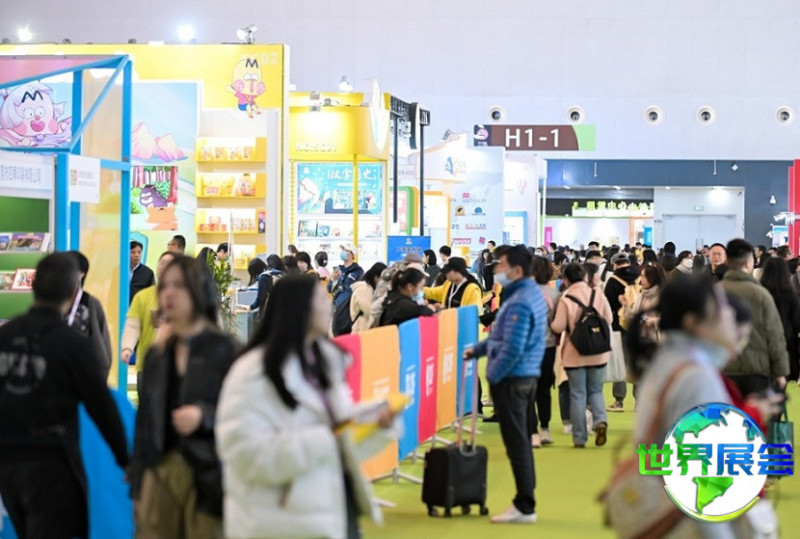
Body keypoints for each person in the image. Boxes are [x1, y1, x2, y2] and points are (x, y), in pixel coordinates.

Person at [215, 276, 396, 539]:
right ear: (298, 307)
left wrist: (373, 422)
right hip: (279, 521)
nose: (329, 306)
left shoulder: (325, 361)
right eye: (320, 299)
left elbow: (339, 436)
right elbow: (245, 453)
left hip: (332, 507)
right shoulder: (252, 373)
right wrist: (325, 439)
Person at [625, 275, 777, 538]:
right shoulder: (696, 376)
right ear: (694, 322)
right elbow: (705, 488)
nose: (730, 314)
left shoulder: (668, 362)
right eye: (720, 307)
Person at [0, 253, 129, 539]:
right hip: (53, 464)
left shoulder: (5, 337)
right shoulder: (72, 345)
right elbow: (101, 406)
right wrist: (125, 459)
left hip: (7, 463)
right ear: (73, 293)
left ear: (33, 287)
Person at [130, 257, 239, 539]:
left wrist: (204, 416)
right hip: (160, 473)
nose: (168, 293)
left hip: (209, 475)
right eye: (165, 286)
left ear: (199, 290)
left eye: (179, 285)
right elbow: (145, 423)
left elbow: (244, 415)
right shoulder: (157, 355)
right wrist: (138, 486)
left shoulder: (225, 350)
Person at [464, 245, 546, 524]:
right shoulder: (529, 294)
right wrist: (478, 350)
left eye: (501, 266)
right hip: (524, 375)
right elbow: (502, 337)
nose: (496, 270)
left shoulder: (520, 301)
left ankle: (525, 504)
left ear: (517, 270)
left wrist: (493, 375)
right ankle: (526, 499)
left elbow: (512, 347)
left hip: (513, 379)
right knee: (519, 442)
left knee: (517, 444)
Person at [551, 263, 613, 448]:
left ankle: (579, 438)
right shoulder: (597, 294)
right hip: (598, 352)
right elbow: (609, 319)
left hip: (574, 352)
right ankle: (600, 421)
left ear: (565, 280)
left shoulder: (566, 298)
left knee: (577, 394)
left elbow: (558, 327)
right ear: (585, 276)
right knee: (596, 390)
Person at [720, 238, 789, 397]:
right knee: (755, 413)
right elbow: (774, 335)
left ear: (727, 261)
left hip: (723, 370)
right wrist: (781, 372)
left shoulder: (713, 293)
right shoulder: (761, 294)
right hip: (756, 372)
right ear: (748, 263)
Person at [122, 251, 179, 388]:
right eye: (162, 263)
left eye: (169, 264)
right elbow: (132, 326)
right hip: (146, 365)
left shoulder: (185, 297)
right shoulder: (142, 296)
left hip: (175, 366)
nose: (164, 267)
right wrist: (127, 348)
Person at [530, 256, 560, 447]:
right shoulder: (554, 294)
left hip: (527, 348)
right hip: (548, 346)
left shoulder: (523, 293)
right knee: (544, 389)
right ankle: (545, 429)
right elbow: (557, 323)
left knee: (528, 390)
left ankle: (532, 432)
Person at [67, 250, 113, 375]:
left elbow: (102, 337)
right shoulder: (52, 302)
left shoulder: (91, 303)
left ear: (82, 273)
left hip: (85, 368)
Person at [604, 251, 638, 412]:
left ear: (614, 264)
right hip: (639, 326)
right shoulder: (640, 277)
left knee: (620, 363)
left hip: (620, 326)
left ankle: (619, 400)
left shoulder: (612, 281)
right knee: (637, 362)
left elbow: (608, 306)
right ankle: (639, 401)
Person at [759, 256, 800, 382]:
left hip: (762, 341)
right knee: (782, 381)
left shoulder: (759, 293)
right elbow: (796, 323)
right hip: (785, 342)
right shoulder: (791, 295)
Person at [621, 264, 665, 342]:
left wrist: (654, 321)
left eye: (645, 276)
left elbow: (671, 320)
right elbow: (633, 316)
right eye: (641, 276)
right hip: (639, 338)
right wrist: (626, 305)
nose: (641, 280)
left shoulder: (662, 296)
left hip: (655, 340)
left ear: (653, 278)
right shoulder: (642, 294)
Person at [349, 262, 387, 333]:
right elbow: (370, 311)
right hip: (361, 330)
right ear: (376, 277)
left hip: (364, 329)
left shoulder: (369, 289)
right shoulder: (363, 289)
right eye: (383, 279)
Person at [329, 244, 364, 312]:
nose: (343, 252)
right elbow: (329, 289)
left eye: (346, 250)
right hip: (335, 307)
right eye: (343, 250)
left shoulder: (358, 271)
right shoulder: (337, 269)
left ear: (352, 254)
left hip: (349, 308)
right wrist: (333, 280)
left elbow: (360, 291)